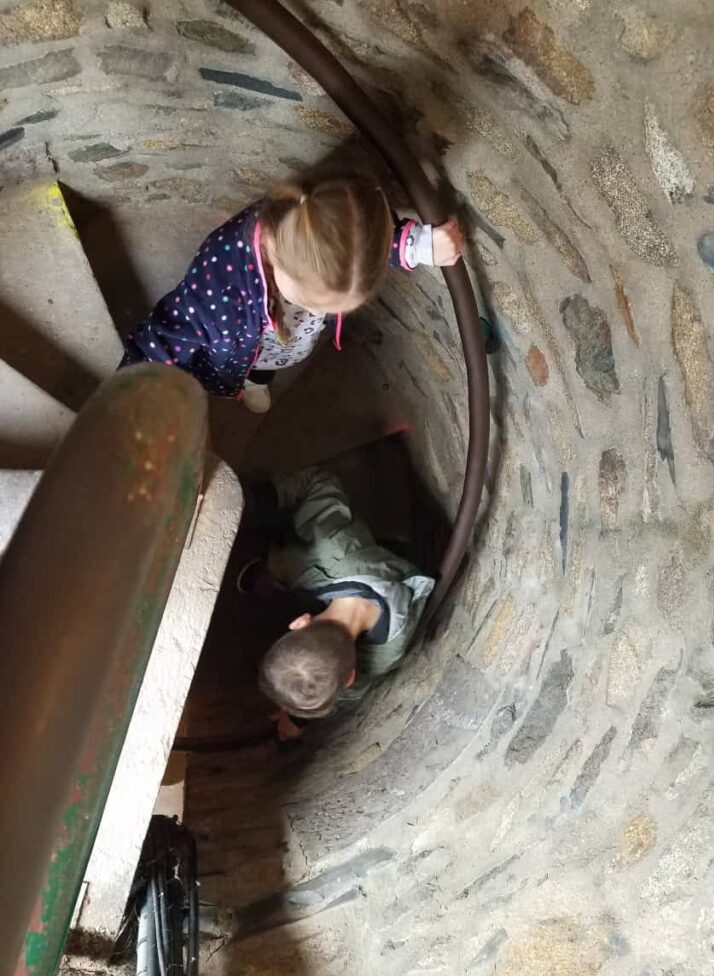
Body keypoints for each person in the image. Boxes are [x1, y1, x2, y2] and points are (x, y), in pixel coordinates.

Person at [120, 172, 464, 412]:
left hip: (273, 349)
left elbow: (367, 243)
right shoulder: (219, 288)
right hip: (240, 352)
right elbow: (158, 344)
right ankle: (248, 382)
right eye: (309, 303)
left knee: (266, 365)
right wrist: (129, 408)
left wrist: (418, 246)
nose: (317, 313)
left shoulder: (329, 233)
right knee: (253, 365)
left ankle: (257, 380)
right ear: (272, 247)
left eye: (330, 309)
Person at [239, 465, 434, 739]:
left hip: (329, 577)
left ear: (300, 620)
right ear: (300, 622)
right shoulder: (331, 542)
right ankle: (273, 567)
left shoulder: (385, 656)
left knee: (294, 566)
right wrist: (254, 498)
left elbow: (344, 693)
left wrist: (296, 718)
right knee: (295, 563)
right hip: (346, 569)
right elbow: (318, 481)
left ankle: (272, 570)